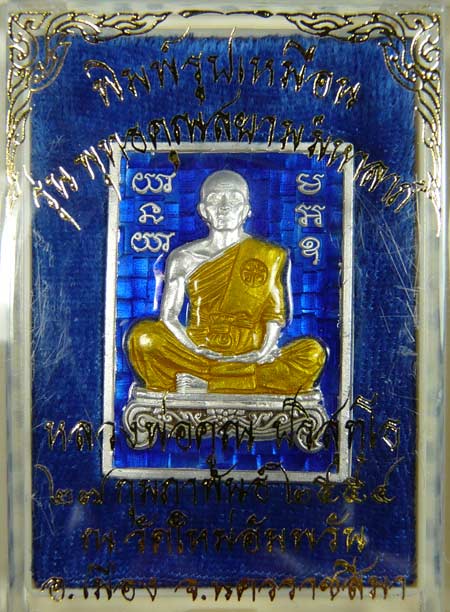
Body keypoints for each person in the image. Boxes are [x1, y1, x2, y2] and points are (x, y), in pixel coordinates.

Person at [127, 169, 326, 394]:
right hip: (197, 352)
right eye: (214, 200)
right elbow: (169, 317)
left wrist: (263, 352)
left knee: (312, 353)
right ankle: (241, 382)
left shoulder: (267, 255)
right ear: (203, 210)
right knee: (143, 338)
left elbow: (274, 315)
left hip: (250, 353)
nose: (224, 207)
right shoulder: (183, 257)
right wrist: (195, 349)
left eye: (234, 200)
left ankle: (208, 384)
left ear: (246, 210)